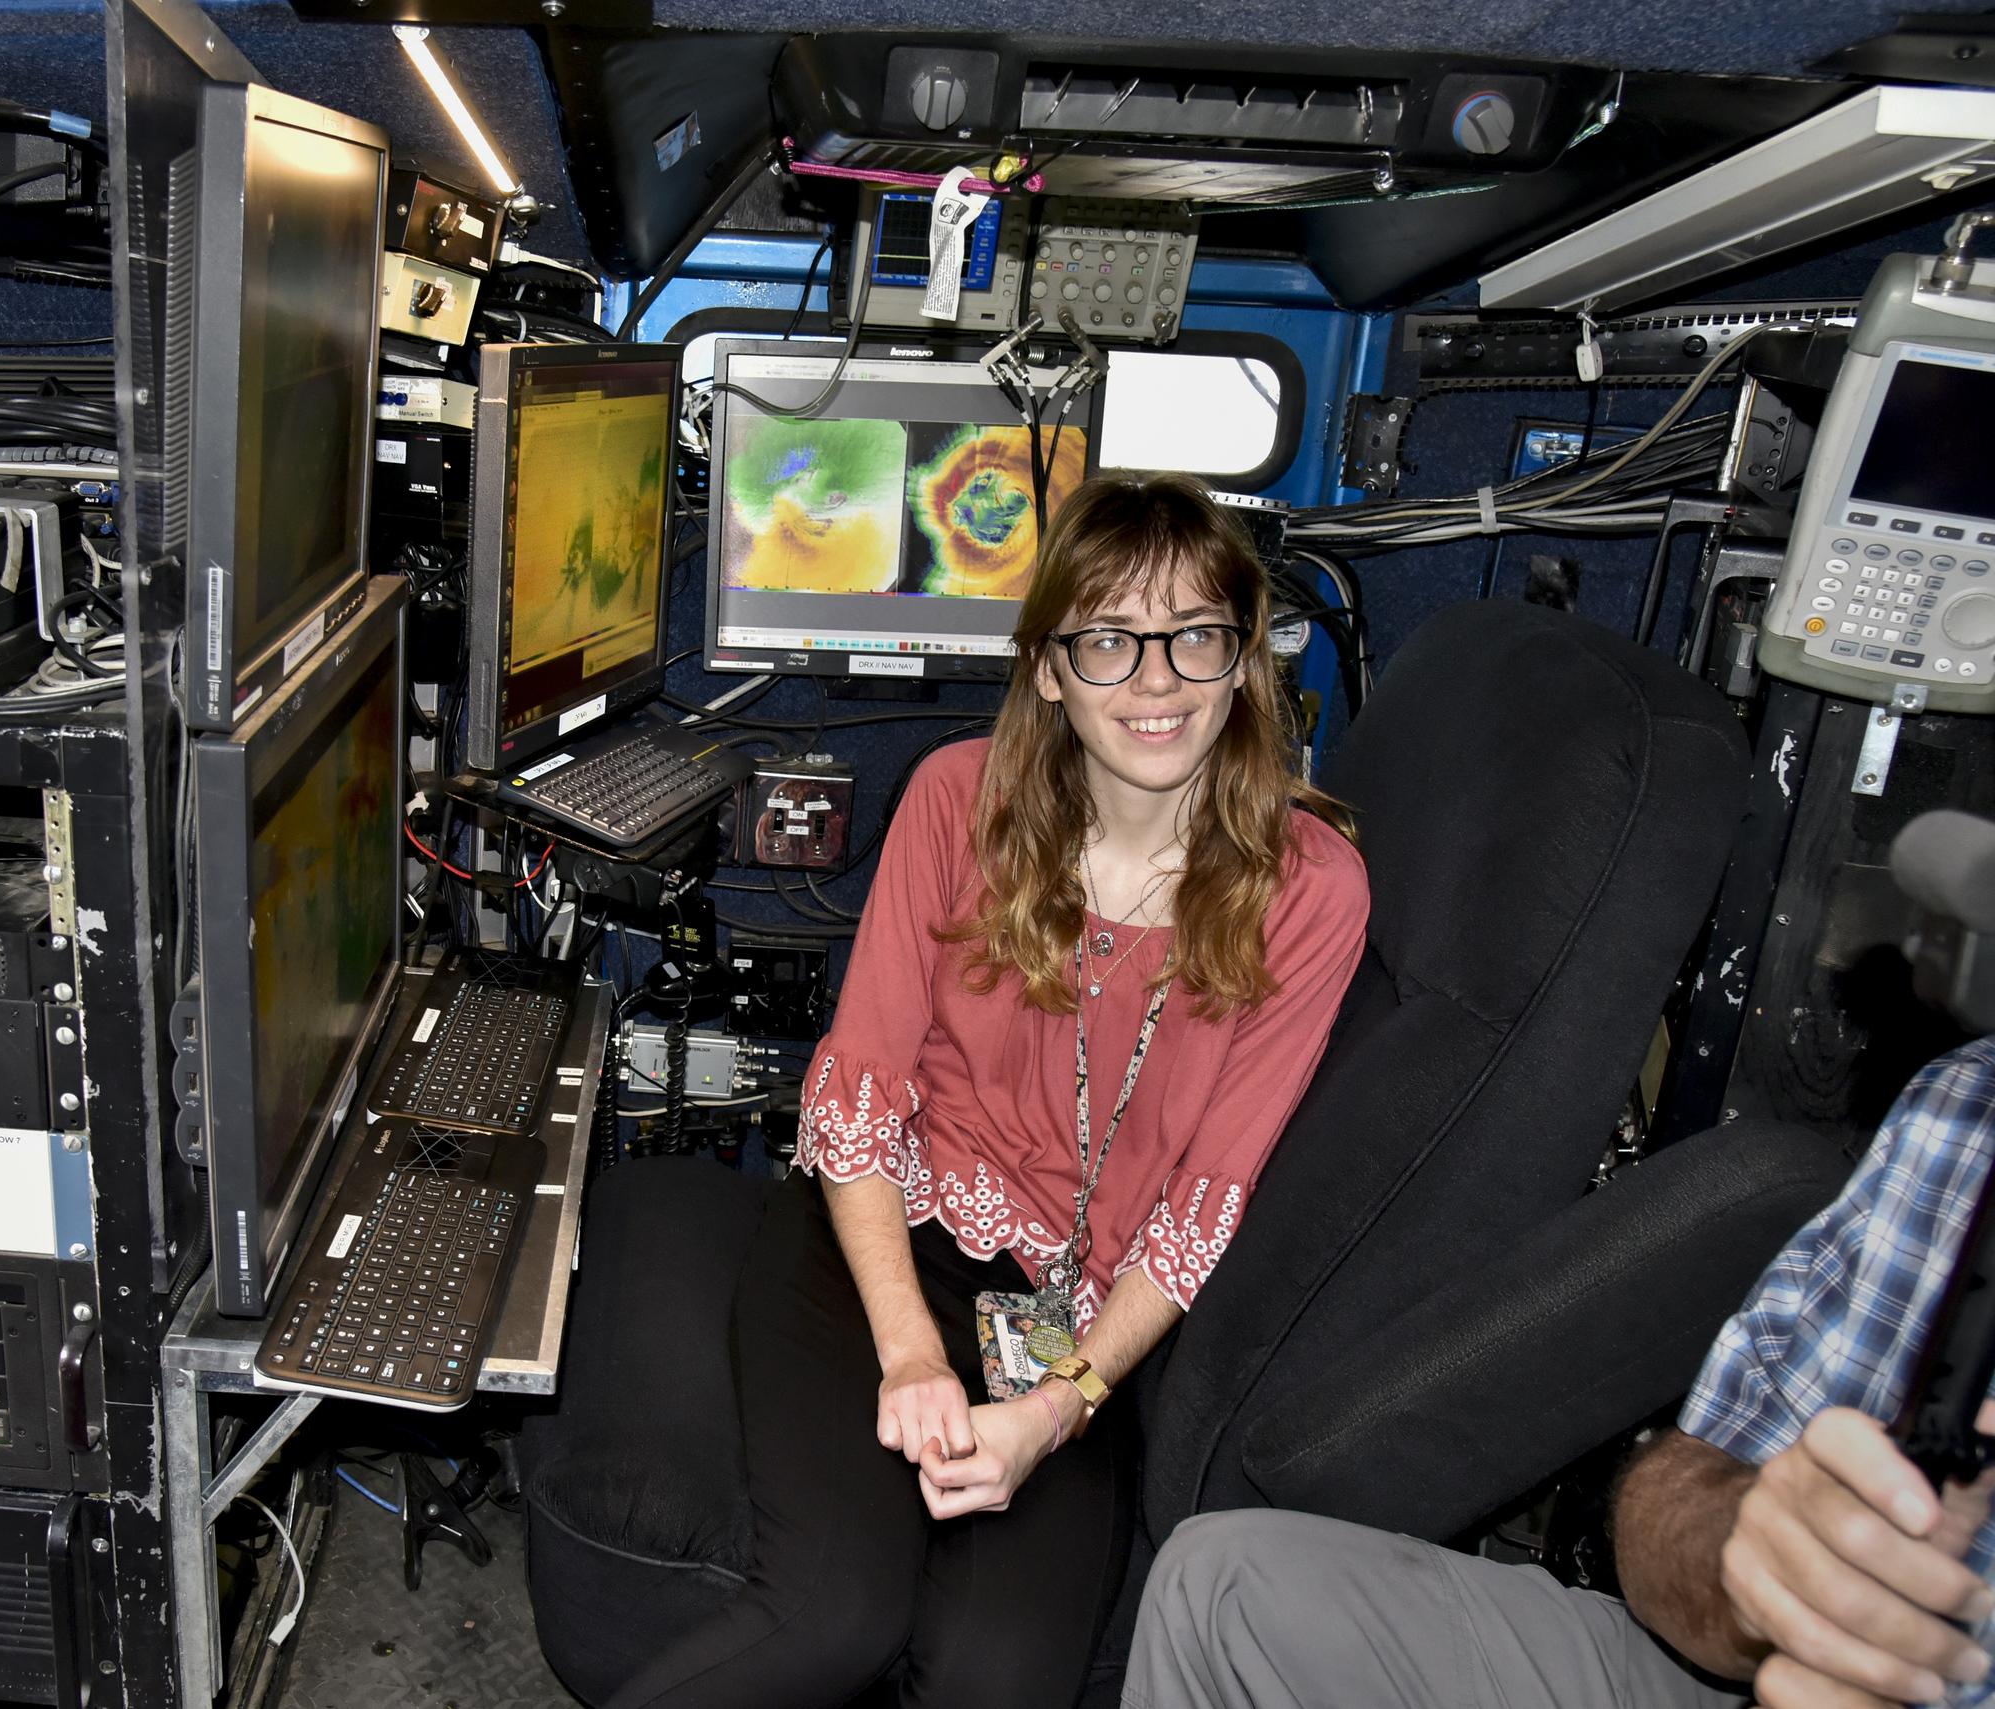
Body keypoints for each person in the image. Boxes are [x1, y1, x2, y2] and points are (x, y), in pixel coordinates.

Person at [606, 475, 1370, 1709]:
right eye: (1109, 639)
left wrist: (1057, 1411)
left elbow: (1203, 1204)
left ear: (1243, 664)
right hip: (882, 1243)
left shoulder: (1312, 888)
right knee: (831, 1613)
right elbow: (853, 1100)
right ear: (1050, 669)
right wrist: (912, 1355)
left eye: (1195, 636)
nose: (1156, 679)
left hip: (1081, 1318)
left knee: (996, 1677)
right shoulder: (959, 800)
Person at [1127, 1032, 1995, 1709]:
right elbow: (1682, 1494)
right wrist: (1759, 1555)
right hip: (1757, 1677)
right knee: (1224, 1583)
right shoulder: (1964, 1108)